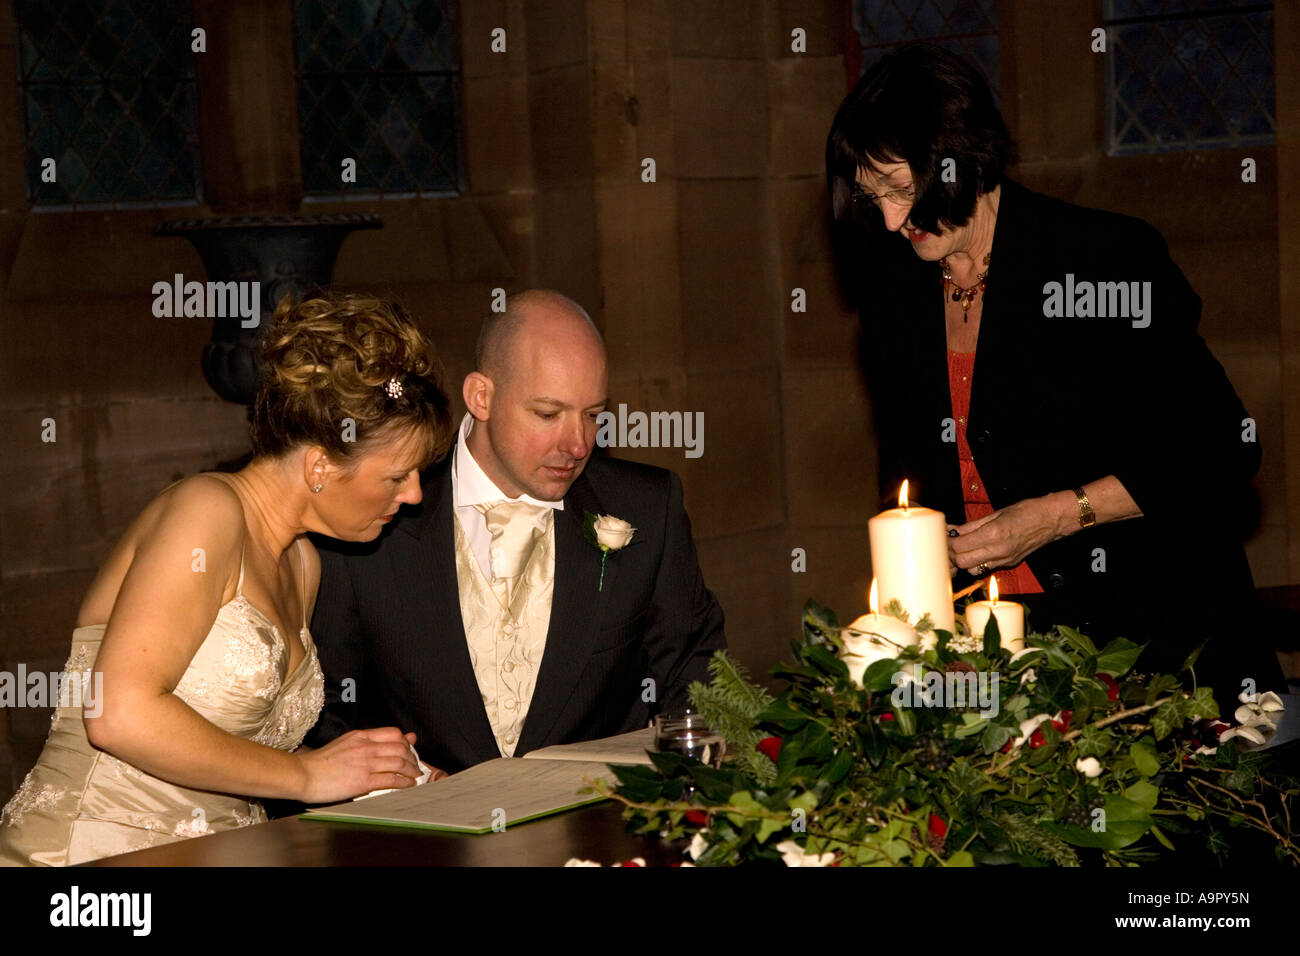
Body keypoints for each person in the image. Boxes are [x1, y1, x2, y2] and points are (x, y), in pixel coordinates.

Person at [826, 43, 1281, 702]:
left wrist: (1059, 516)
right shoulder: (894, 296)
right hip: (998, 660)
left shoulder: (1100, 259)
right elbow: (912, 487)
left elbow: (1221, 451)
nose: (893, 221)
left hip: (1157, 645)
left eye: (902, 188)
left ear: (968, 155)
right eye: (874, 198)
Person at [0, 293, 453, 866]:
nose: (413, 494)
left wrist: (376, 774)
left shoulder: (303, 563)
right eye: (396, 475)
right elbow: (117, 713)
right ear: (318, 466)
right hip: (96, 858)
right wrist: (308, 776)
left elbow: (240, 750)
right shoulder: (205, 509)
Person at [306, 289, 727, 772]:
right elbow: (327, 706)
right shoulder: (373, 513)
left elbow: (698, 683)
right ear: (480, 397)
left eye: (593, 415)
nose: (577, 443)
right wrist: (406, 783)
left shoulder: (650, 508)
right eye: (548, 414)